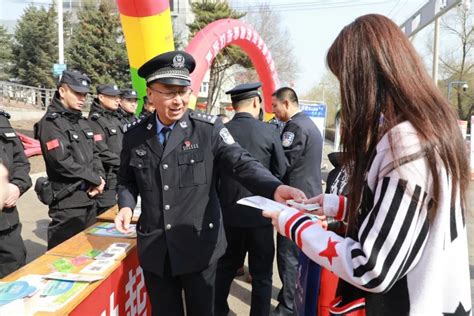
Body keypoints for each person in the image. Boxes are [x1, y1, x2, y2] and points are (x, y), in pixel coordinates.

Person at [263, 14, 471, 315]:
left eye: (344, 80)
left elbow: (371, 267)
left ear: (365, 78)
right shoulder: (431, 128)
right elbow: (410, 219)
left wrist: (295, 226)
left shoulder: (406, 143)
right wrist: (337, 206)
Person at [114, 50, 305, 316]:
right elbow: (126, 180)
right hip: (157, 251)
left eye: (183, 91)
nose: (179, 100)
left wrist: (274, 187)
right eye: (169, 92)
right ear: (151, 93)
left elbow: (241, 162)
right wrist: (124, 205)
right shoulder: (134, 135)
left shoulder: (207, 129)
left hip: (199, 248)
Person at [214, 82, 286, 316]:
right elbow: (280, 169)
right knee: (263, 276)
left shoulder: (219, 132)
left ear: (233, 106)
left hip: (228, 216)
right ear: (256, 102)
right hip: (261, 217)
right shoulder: (269, 131)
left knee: (223, 270)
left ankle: (218, 311)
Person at [35, 70, 105, 249]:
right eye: (77, 93)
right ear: (62, 91)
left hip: (90, 197)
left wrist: (99, 179)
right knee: (64, 256)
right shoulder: (51, 123)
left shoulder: (82, 121)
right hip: (68, 201)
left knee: (88, 253)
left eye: (84, 94)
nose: (82, 98)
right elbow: (60, 162)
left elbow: (95, 154)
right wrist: (95, 179)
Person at [271, 86, 323, 316]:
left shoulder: (295, 127)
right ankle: (294, 300)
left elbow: (284, 163)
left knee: (288, 255)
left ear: (286, 103)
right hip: (308, 197)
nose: (273, 111)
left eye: (275, 106)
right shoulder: (310, 125)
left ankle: (288, 307)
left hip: (296, 201)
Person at [0, 109, 32, 277]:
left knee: (15, 276)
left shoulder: (2, 121)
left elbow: (21, 162)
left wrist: (16, 186)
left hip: (7, 224)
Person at [88, 84, 123, 215]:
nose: (117, 100)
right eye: (113, 97)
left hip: (121, 177)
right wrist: (125, 163)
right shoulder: (95, 120)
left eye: (118, 97)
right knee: (107, 217)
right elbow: (101, 152)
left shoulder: (115, 119)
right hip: (108, 179)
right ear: (101, 97)